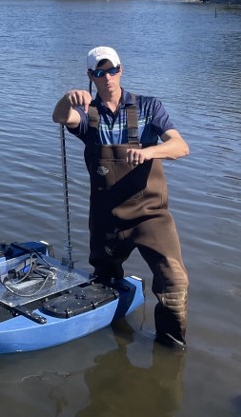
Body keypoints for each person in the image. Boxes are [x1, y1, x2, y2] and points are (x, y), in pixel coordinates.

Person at [52, 46, 189, 350]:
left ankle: (170, 348)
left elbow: (180, 147)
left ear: (120, 70)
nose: (107, 77)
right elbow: (59, 117)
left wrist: (149, 151)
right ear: (91, 76)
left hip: (150, 214)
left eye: (112, 70)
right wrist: (65, 99)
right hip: (107, 217)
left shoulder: (149, 107)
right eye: (100, 72)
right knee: (104, 279)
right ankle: (110, 344)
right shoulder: (88, 115)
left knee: (174, 281)